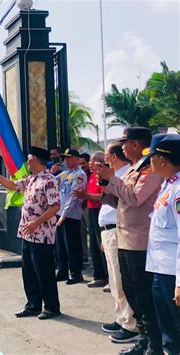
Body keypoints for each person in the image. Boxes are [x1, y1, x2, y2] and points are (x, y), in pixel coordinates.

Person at [94, 127, 164, 355]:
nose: (122, 148)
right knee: (131, 292)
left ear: (135, 145)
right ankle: (144, 338)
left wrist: (112, 179)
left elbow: (135, 198)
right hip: (125, 239)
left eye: (125, 143)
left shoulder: (149, 169)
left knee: (143, 294)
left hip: (140, 241)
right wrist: (107, 187)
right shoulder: (134, 170)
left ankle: (154, 343)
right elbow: (122, 202)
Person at [75, 142, 139, 343]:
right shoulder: (116, 175)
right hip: (109, 230)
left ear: (113, 157)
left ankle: (131, 324)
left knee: (121, 280)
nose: (104, 159)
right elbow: (108, 200)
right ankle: (121, 318)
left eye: (108, 155)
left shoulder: (126, 174)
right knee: (114, 280)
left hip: (118, 230)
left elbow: (127, 203)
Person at [0, 147, 61, 320]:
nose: (27, 162)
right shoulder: (31, 179)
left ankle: (51, 307)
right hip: (27, 234)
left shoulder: (49, 180)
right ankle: (33, 305)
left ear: (35, 159)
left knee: (44, 272)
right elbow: (13, 185)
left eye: (29, 159)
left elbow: (55, 206)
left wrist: (36, 222)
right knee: (28, 271)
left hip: (41, 234)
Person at [144, 134, 180, 355]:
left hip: (172, 273)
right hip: (160, 268)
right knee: (167, 327)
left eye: (152, 156)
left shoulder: (178, 190)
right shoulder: (168, 185)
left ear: (163, 160)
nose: (149, 161)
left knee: (176, 326)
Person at [55, 148, 87, 285]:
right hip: (59, 213)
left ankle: (76, 273)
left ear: (77, 159)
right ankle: (62, 270)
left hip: (71, 215)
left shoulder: (80, 175)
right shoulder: (65, 174)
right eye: (64, 158)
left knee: (72, 246)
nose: (66, 161)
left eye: (69, 158)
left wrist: (64, 214)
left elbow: (74, 197)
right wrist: (49, 173)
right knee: (60, 245)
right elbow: (52, 181)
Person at [85, 151, 108, 288]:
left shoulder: (104, 176)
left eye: (92, 162)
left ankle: (108, 276)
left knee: (103, 244)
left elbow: (103, 197)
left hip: (101, 210)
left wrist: (86, 195)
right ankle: (98, 275)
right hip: (91, 210)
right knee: (93, 244)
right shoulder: (92, 176)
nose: (90, 165)